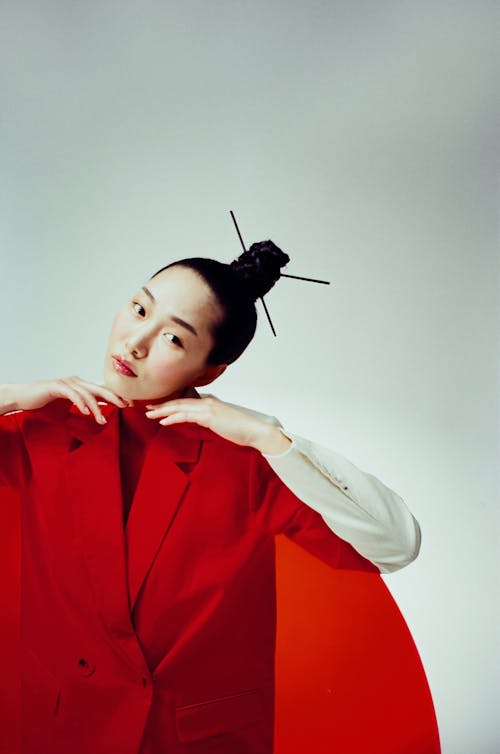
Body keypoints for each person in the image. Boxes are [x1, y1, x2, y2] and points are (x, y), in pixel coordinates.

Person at [0, 240, 421, 754]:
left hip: (189, 739)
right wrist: (14, 394)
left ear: (210, 372)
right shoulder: (42, 429)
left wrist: (272, 438)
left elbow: (396, 544)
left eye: (174, 339)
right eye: (139, 309)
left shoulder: (246, 462)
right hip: (61, 729)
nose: (135, 343)